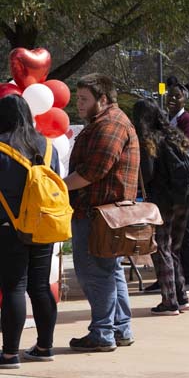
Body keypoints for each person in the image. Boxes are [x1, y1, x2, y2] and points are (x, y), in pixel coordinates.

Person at [64, 73, 139, 351]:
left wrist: (58, 187)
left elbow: (92, 172)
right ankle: (119, 329)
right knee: (109, 271)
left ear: (103, 99)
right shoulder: (108, 122)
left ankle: (103, 333)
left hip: (98, 215)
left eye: (84, 99)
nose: (78, 104)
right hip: (103, 214)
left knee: (95, 273)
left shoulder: (110, 124)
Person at [0, 95, 61, 368]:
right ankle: (45, 346)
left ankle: (10, 353)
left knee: (14, 286)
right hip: (43, 226)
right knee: (39, 286)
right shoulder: (48, 147)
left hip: (8, 228)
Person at [132, 100, 189, 316]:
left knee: (161, 248)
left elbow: (147, 174)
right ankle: (182, 295)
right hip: (184, 198)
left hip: (162, 201)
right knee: (174, 248)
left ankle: (169, 301)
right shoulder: (176, 136)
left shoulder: (149, 140)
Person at [165, 81, 189, 294]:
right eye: (169, 95)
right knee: (170, 234)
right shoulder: (167, 119)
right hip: (170, 185)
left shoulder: (188, 120)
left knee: (187, 232)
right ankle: (171, 275)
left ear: (184, 99)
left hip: (185, 184)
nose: (171, 99)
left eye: (176, 96)